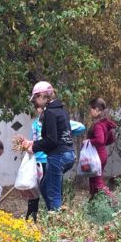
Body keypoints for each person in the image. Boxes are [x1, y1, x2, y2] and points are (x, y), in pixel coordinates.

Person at [23, 82, 75, 212]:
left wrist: (34, 147)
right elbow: (58, 137)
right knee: (45, 186)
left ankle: (56, 220)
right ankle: (52, 213)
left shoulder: (50, 112)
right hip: (68, 154)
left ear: (42, 95)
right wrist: (34, 144)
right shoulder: (61, 110)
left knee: (53, 194)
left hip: (58, 156)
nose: (35, 103)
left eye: (35, 99)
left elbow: (51, 140)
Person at [25, 82, 52, 222]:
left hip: (44, 160)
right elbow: (33, 141)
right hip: (39, 159)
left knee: (42, 189)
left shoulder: (49, 120)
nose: (39, 111)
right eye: (37, 109)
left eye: (39, 109)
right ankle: (33, 215)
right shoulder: (36, 123)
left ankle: (44, 215)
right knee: (35, 188)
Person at [84, 98, 117, 199]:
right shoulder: (105, 123)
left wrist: (88, 141)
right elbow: (111, 139)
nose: (90, 111)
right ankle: (93, 203)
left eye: (91, 109)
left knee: (97, 182)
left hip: (96, 156)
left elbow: (100, 140)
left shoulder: (98, 125)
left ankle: (114, 201)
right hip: (101, 155)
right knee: (93, 181)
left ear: (97, 109)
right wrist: (101, 145)